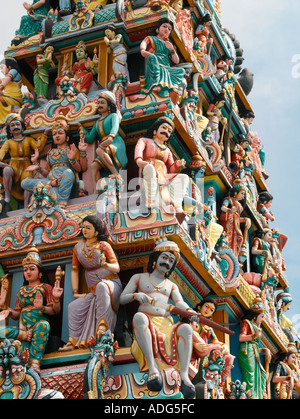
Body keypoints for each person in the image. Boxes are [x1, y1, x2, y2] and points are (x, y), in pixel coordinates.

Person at [120, 239, 197, 399]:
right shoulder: (139, 278)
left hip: (166, 324)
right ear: (156, 258)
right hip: (147, 322)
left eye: (171, 261)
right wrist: (136, 295)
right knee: (139, 317)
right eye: (165, 257)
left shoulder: (171, 285)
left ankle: (184, 375)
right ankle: (152, 368)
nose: (167, 262)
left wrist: (189, 311)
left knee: (186, 328)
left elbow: (179, 303)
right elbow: (122, 299)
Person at [59, 216, 122, 351]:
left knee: (102, 286)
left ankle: (103, 330)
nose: (84, 230)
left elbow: (117, 267)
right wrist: (75, 292)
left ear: (96, 232)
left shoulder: (104, 246)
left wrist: (106, 265)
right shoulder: (78, 248)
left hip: (111, 285)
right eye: (83, 227)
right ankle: (73, 341)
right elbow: (75, 270)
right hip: (94, 291)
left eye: (88, 228)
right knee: (73, 307)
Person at [0, 246, 63, 373]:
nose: (28, 272)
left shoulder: (45, 287)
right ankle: (23, 336)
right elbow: (17, 314)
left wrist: (48, 303)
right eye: (25, 270)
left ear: (40, 273)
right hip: (22, 329)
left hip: (37, 326)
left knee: (44, 326)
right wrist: (7, 310)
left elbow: (55, 311)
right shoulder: (21, 291)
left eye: (32, 269)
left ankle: (35, 362)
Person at [21, 115, 87, 208]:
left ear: (67, 138)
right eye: (54, 134)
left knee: (68, 172)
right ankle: (51, 185)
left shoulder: (71, 149)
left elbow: (80, 169)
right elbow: (47, 173)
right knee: (25, 182)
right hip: (50, 180)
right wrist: (37, 166)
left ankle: (62, 201)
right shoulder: (50, 153)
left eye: (60, 133)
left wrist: (72, 159)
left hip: (64, 179)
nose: (57, 136)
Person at [134, 117, 189, 215]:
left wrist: (177, 164)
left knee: (183, 177)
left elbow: (171, 170)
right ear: (155, 131)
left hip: (163, 176)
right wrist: (140, 161)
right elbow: (138, 157)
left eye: (169, 131)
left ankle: (177, 206)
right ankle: (151, 202)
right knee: (150, 169)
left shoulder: (167, 150)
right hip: (149, 168)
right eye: (164, 128)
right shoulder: (144, 141)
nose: (166, 131)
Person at [84, 90, 128, 194]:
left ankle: (116, 174)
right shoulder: (98, 122)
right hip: (105, 145)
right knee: (94, 165)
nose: (99, 105)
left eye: (102, 103)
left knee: (99, 150)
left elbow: (114, 129)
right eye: (98, 103)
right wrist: (83, 130)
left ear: (109, 105)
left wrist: (110, 138)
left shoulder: (113, 116)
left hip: (115, 142)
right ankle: (96, 192)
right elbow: (90, 138)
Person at [0, 113, 47, 208]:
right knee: (7, 170)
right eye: (12, 126)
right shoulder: (8, 142)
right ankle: (7, 197)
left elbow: (38, 148)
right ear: (9, 130)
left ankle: (26, 206)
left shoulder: (29, 140)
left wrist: (45, 135)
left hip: (26, 165)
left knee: (27, 181)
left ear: (22, 127)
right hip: (14, 167)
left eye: (18, 124)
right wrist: (4, 165)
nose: (15, 127)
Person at [140, 17, 185, 99]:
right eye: (164, 26)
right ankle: (155, 84)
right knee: (154, 62)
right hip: (155, 62)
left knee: (181, 71)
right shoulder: (151, 38)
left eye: (169, 29)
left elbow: (176, 61)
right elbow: (144, 43)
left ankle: (164, 86)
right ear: (157, 29)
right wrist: (143, 50)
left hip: (166, 66)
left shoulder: (168, 44)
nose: (167, 29)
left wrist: (172, 49)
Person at [238, 296, 271, 399]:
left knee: (261, 374)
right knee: (250, 374)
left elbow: (255, 346)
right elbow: (241, 338)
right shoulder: (246, 323)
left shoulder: (257, 328)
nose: (262, 319)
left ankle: (259, 395)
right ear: (255, 316)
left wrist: (266, 350)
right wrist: (254, 336)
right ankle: (250, 395)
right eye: (261, 316)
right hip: (247, 351)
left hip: (254, 351)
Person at [220, 178, 251, 259]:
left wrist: (245, 219)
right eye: (242, 193)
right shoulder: (229, 199)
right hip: (229, 222)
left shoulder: (239, 204)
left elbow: (237, 218)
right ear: (235, 193)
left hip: (235, 225)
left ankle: (234, 255)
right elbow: (223, 208)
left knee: (239, 238)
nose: (243, 196)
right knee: (228, 237)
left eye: (243, 194)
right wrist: (230, 210)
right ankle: (226, 251)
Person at [0, 58, 23, 123]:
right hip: (8, 97)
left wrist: (1, 88)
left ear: (9, 67)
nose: (1, 70)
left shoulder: (14, 71)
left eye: (2, 68)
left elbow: (7, 79)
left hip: (14, 98)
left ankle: (2, 121)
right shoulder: (5, 78)